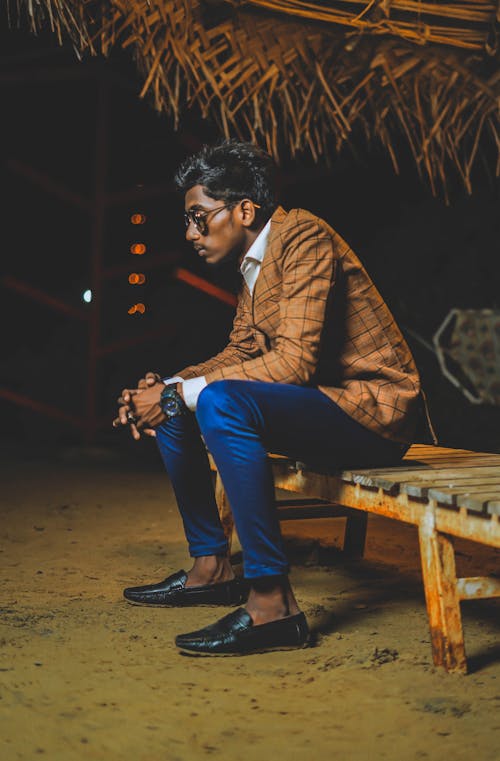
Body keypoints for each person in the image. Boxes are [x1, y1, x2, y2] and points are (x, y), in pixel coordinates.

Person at [114, 139, 428, 656]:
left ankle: (272, 604)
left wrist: (181, 391)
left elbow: (293, 364)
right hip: (321, 407)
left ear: (244, 209)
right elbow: (238, 352)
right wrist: (166, 387)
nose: (190, 233)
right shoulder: (253, 266)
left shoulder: (303, 236)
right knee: (180, 404)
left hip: (374, 413)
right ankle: (211, 568)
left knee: (216, 401)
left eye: (199, 217)